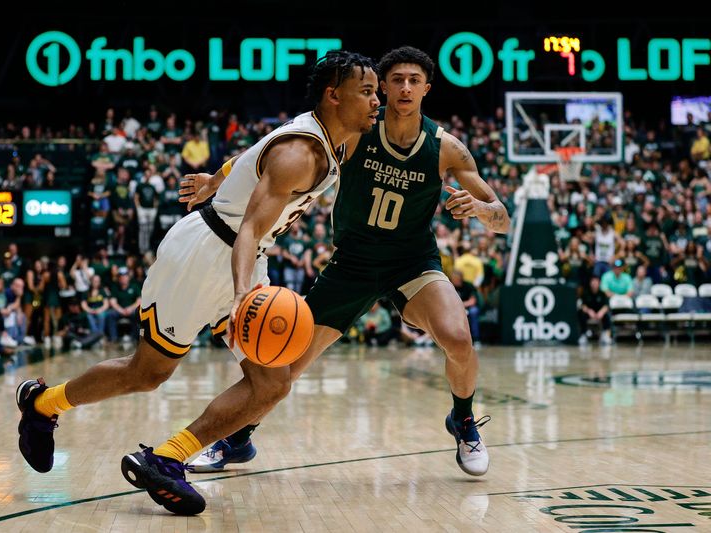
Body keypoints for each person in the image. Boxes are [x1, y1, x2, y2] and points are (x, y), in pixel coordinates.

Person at [14, 50, 380, 516]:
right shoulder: (300, 153)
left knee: (273, 384)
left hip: (246, 257)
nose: (377, 101)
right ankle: (42, 404)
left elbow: (250, 155)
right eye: (367, 92)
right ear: (334, 96)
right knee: (147, 374)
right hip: (207, 253)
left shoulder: (335, 140)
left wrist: (216, 177)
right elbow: (248, 227)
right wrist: (245, 291)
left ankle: (166, 458)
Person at [185, 47, 509, 478]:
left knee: (458, 338)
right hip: (353, 262)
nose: (405, 87)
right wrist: (216, 178)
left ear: (427, 88)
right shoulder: (356, 133)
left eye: (414, 80)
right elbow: (278, 146)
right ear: (383, 87)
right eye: (396, 80)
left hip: (413, 262)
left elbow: (502, 218)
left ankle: (463, 418)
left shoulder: (446, 148)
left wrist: (484, 211)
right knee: (285, 364)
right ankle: (238, 439)